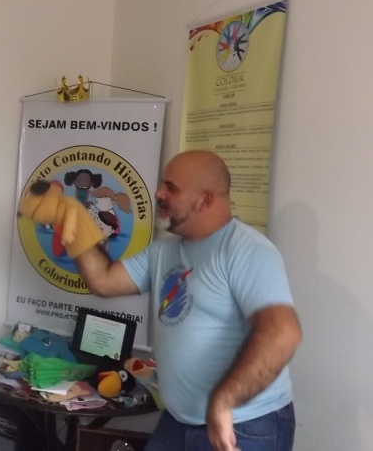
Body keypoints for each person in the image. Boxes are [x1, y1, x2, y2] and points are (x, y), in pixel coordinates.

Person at [73, 150, 302, 451]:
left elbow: (283, 333)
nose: (159, 193)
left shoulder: (247, 250)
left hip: (242, 423)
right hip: (181, 418)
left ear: (205, 200)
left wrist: (224, 400)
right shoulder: (164, 250)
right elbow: (103, 280)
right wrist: (73, 225)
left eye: (171, 187)